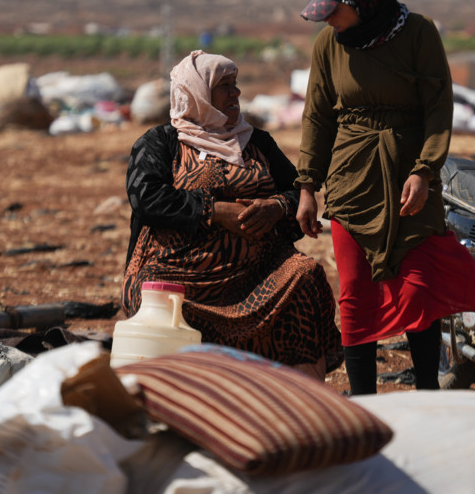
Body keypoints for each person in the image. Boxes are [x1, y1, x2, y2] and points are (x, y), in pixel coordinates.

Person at [294, 0, 475, 395]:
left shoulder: (418, 33)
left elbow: (438, 106)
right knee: (355, 294)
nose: (329, 21)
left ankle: (428, 395)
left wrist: (425, 171)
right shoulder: (328, 45)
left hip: (411, 180)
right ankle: (365, 401)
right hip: (352, 179)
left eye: (335, 10)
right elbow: (318, 117)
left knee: (418, 292)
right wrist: (307, 185)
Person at [122, 50, 343, 380]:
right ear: (196, 94)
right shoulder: (161, 142)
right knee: (157, 297)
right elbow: (147, 197)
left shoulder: (258, 142)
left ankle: (303, 399)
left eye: (235, 83)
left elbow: (298, 191)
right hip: (178, 267)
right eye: (224, 85)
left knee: (305, 275)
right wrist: (213, 211)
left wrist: (277, 206)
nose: (235, 92)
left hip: (259, 270)